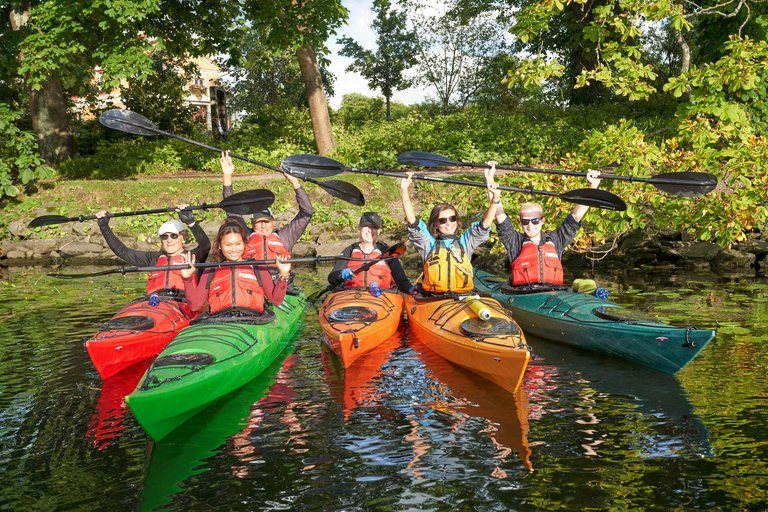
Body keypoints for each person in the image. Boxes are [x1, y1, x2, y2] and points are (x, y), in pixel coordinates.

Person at [491, 165, 602, 288]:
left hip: (552, 293)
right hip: (523, 294)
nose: (530, 225)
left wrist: (593, 186)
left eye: (535, 220)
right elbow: (498, 213)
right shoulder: (515, 241)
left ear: (543, 220)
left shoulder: (556, 239)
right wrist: (490, 179)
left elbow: (576, 216)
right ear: (520, 222)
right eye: (525, 221)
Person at [220, 151, 312, 293]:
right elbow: (231, 209)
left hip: (280, 282)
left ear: (273, 221)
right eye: (258, 222)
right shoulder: (246, 234)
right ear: (252, 223)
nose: (263, 226)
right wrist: (227, 176)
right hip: (251, 283)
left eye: (266, 221)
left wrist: (295, 182)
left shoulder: (286, 236)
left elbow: (307, 212)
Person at [400, 166, 501, 295]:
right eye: (443, 220)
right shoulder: (428, 243)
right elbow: (412, 222)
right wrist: (404, 191)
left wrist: (495, 199)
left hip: (462, 297)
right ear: (436, 224)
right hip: (434, 298)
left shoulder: (465, 242)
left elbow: (484, 226)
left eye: (452, 218)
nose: (449, 223)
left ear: (456, 220)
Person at [96, 205, 210, 314]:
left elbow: (206, 245)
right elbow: (123, 252)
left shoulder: (193, 256)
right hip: (156, 305)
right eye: (165, 237)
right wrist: (104, 227)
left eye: (174, 236)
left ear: (183, 238)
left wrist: (191, 222)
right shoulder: (154, 258)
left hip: (182, 306)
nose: (169, 240)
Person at [181, 219, 290, 319]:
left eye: (238, 244)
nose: (234, 249)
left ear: (244, 243)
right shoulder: (211, 270)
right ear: (219, 245)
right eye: (228, 245)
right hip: (220, 321)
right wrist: (187, 278)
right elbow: (195, 305)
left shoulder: (258, 267)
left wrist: (283, 275)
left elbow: (276, 300)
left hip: (252, 320)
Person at [327, 212, 412, 293]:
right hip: (351, 298)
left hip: (381, 298)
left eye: (374, 227)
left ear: (378, 231)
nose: (370, 230)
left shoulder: (387, 252)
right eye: (366, 226)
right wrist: (341, 274)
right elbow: (331, 278)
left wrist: (411, 289)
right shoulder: (349, 251)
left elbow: (401, 282)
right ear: (359, 229)